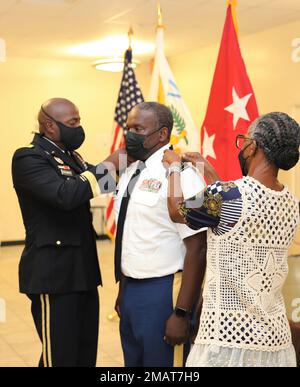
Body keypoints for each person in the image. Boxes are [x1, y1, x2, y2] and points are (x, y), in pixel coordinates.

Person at [163, 112, 300, 367]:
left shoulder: (227, 196)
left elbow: (177, 210)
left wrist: (173, 169)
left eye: (244, 140)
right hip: (275, 341)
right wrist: (211, 173)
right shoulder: (290, 202)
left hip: (228, 341)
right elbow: (239, 216)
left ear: (253, 146)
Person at [12, 98, 118, 367]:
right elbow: (65, 195)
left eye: (79, 120)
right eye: (73, 123)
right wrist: (110, 165)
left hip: (82, 271)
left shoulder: (70, 156)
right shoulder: (29, 157)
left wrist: (132, 161)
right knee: (59, 357)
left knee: (83, 353)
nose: (79, 128)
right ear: (50, 125)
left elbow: (103, 183)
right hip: (54, 274)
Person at [114, 102, 207, 367]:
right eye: (128, 127)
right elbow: (130, 234)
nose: (129, 134)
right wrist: (123, 289)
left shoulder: (184, 175)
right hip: (131, 288)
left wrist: (182, 313)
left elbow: (198, 248)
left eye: (138, 128)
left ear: (162, 134)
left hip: (164, 292)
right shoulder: (130, 170)